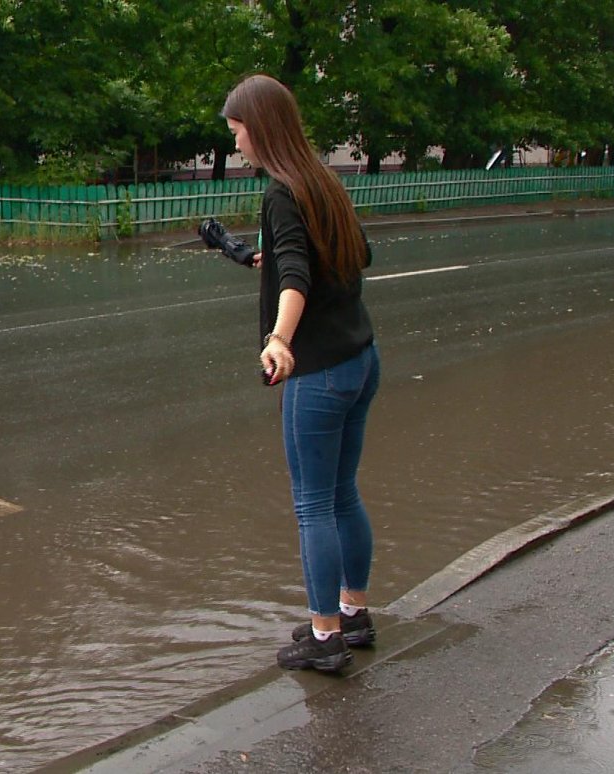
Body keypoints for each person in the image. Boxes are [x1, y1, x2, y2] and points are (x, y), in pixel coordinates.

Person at [221, 74, 381, 673]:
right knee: (343, 493)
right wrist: (274, 258)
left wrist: (279, 340)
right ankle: (353, 614)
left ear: (258, 129)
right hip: (361, 360)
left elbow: (299, 279)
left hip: (318, 373)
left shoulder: (281, 194)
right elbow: (355, 254)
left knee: (314, 504)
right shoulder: (323, 181)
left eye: (237, 131)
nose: (236, 143)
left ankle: (323, 639)